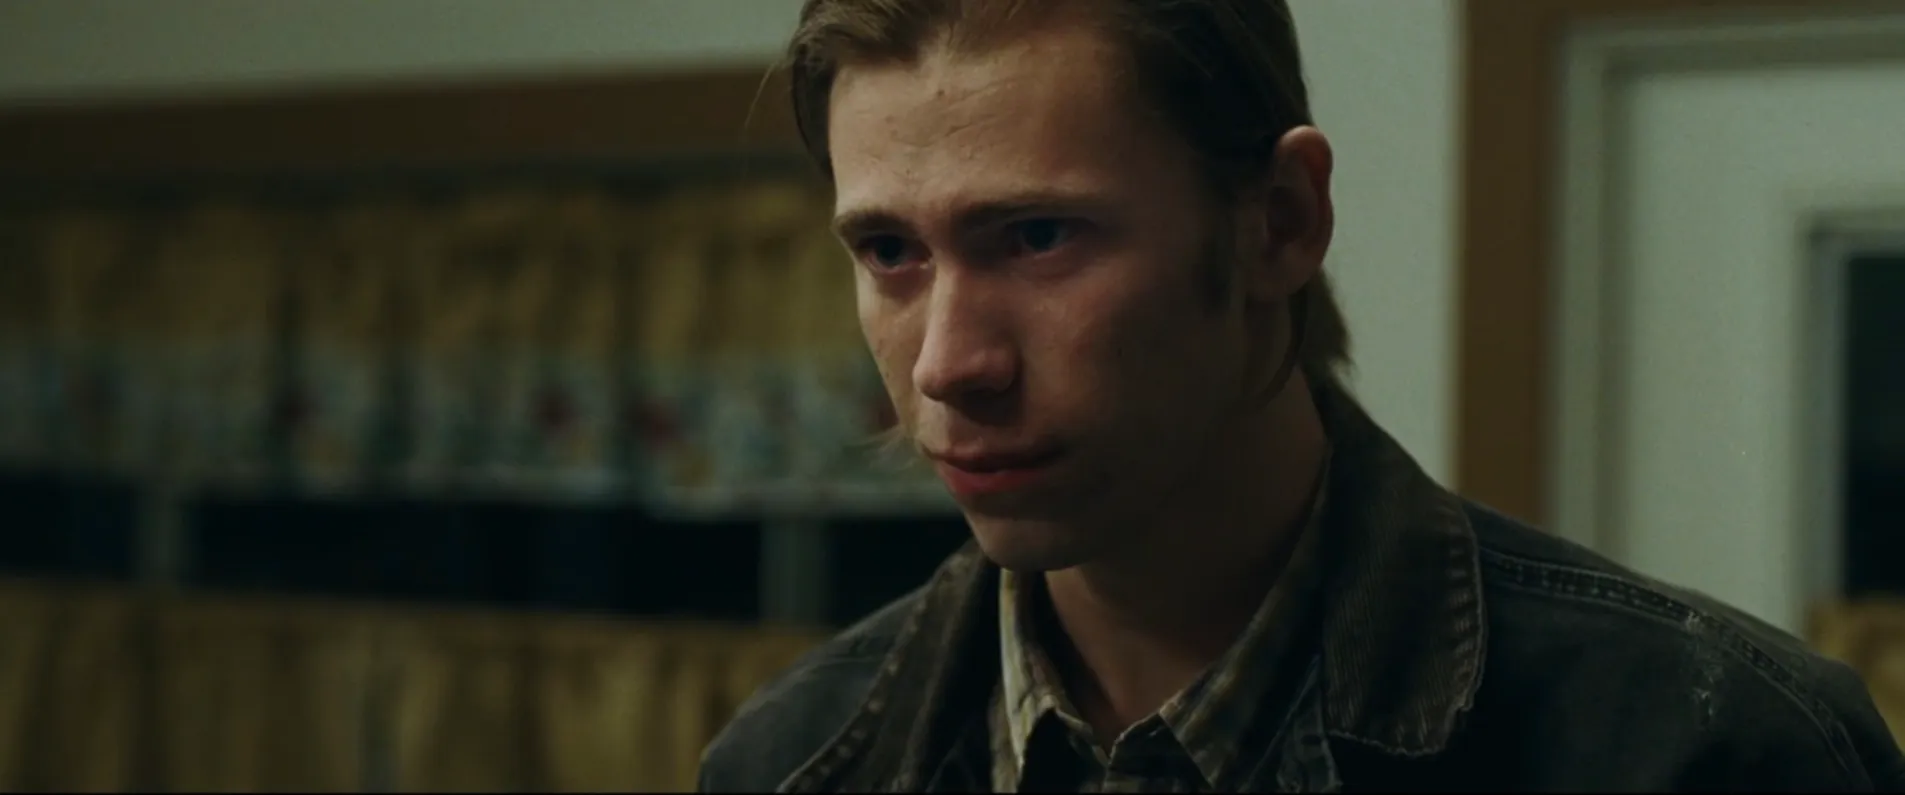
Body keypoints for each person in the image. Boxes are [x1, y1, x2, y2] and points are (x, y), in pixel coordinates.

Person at [698, 0, 1905, 790]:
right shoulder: (791, 762)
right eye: (890, 253)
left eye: (1039, 236)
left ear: (1279, 221)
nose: (947, 363)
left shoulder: (1701, 749)